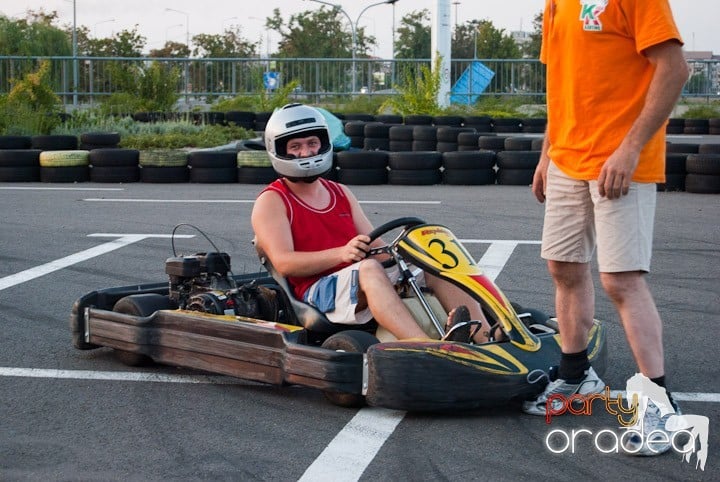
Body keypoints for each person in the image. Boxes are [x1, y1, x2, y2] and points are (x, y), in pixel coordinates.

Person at [524, 0, 690, 456]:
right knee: (563, 266)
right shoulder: (557, 3)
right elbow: (563, 86)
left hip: (620, 162)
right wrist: (546, 155)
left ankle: (658, 403)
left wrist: (631, 148)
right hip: (567, 159)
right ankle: (577, 375)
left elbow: (674, 69)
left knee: (621, 280)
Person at [251, 103, 492, 341]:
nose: (307, 153)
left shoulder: (340, 192)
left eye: (312, 143)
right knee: (368, 269)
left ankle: (488, 337)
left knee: (436, 264)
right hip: (316, 290)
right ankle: (424, 345)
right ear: (279, 150)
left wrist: (411, 255)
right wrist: (342, 254)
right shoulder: (273, 200)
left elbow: (376, 246)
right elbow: (284, 263)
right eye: (295, 146)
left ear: (323, 143)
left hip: (356, 278)